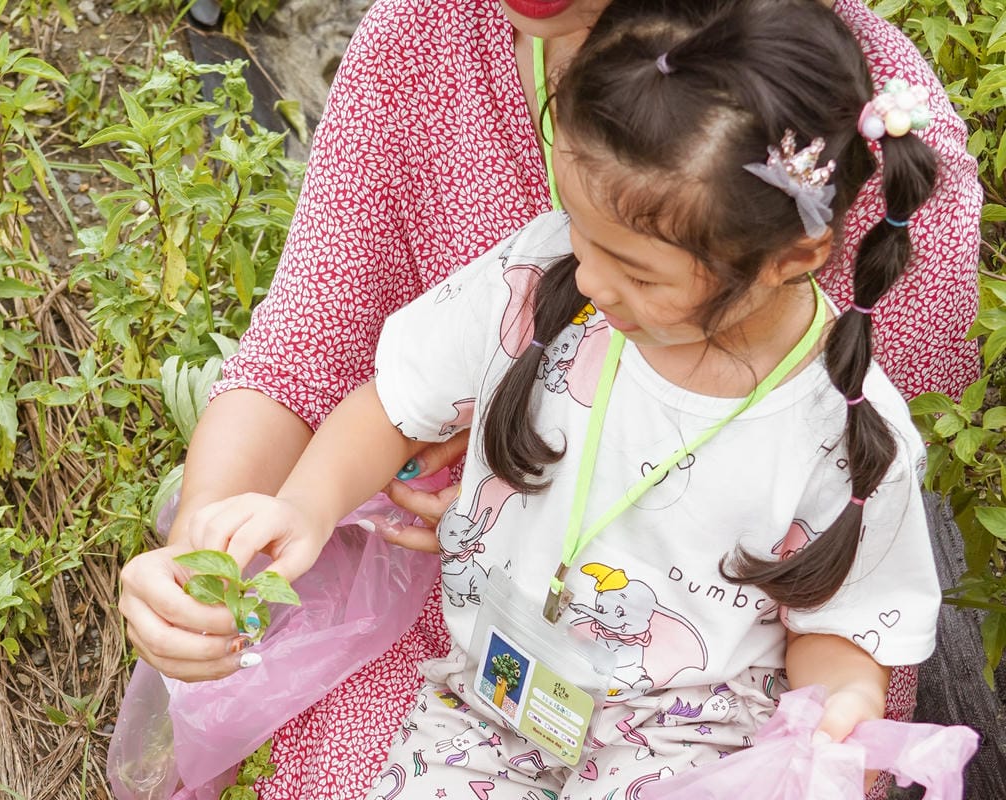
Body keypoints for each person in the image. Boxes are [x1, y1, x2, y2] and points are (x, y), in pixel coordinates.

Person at [116, 0, 980, 795]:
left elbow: (844, 624)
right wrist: (301, 507)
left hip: (690, 736)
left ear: (792, 258)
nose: (590, 279)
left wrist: (836, 719)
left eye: (636, 271)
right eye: (578, 233)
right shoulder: (539, 275)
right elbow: (386, 394)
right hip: (487, 686)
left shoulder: (847, 432)